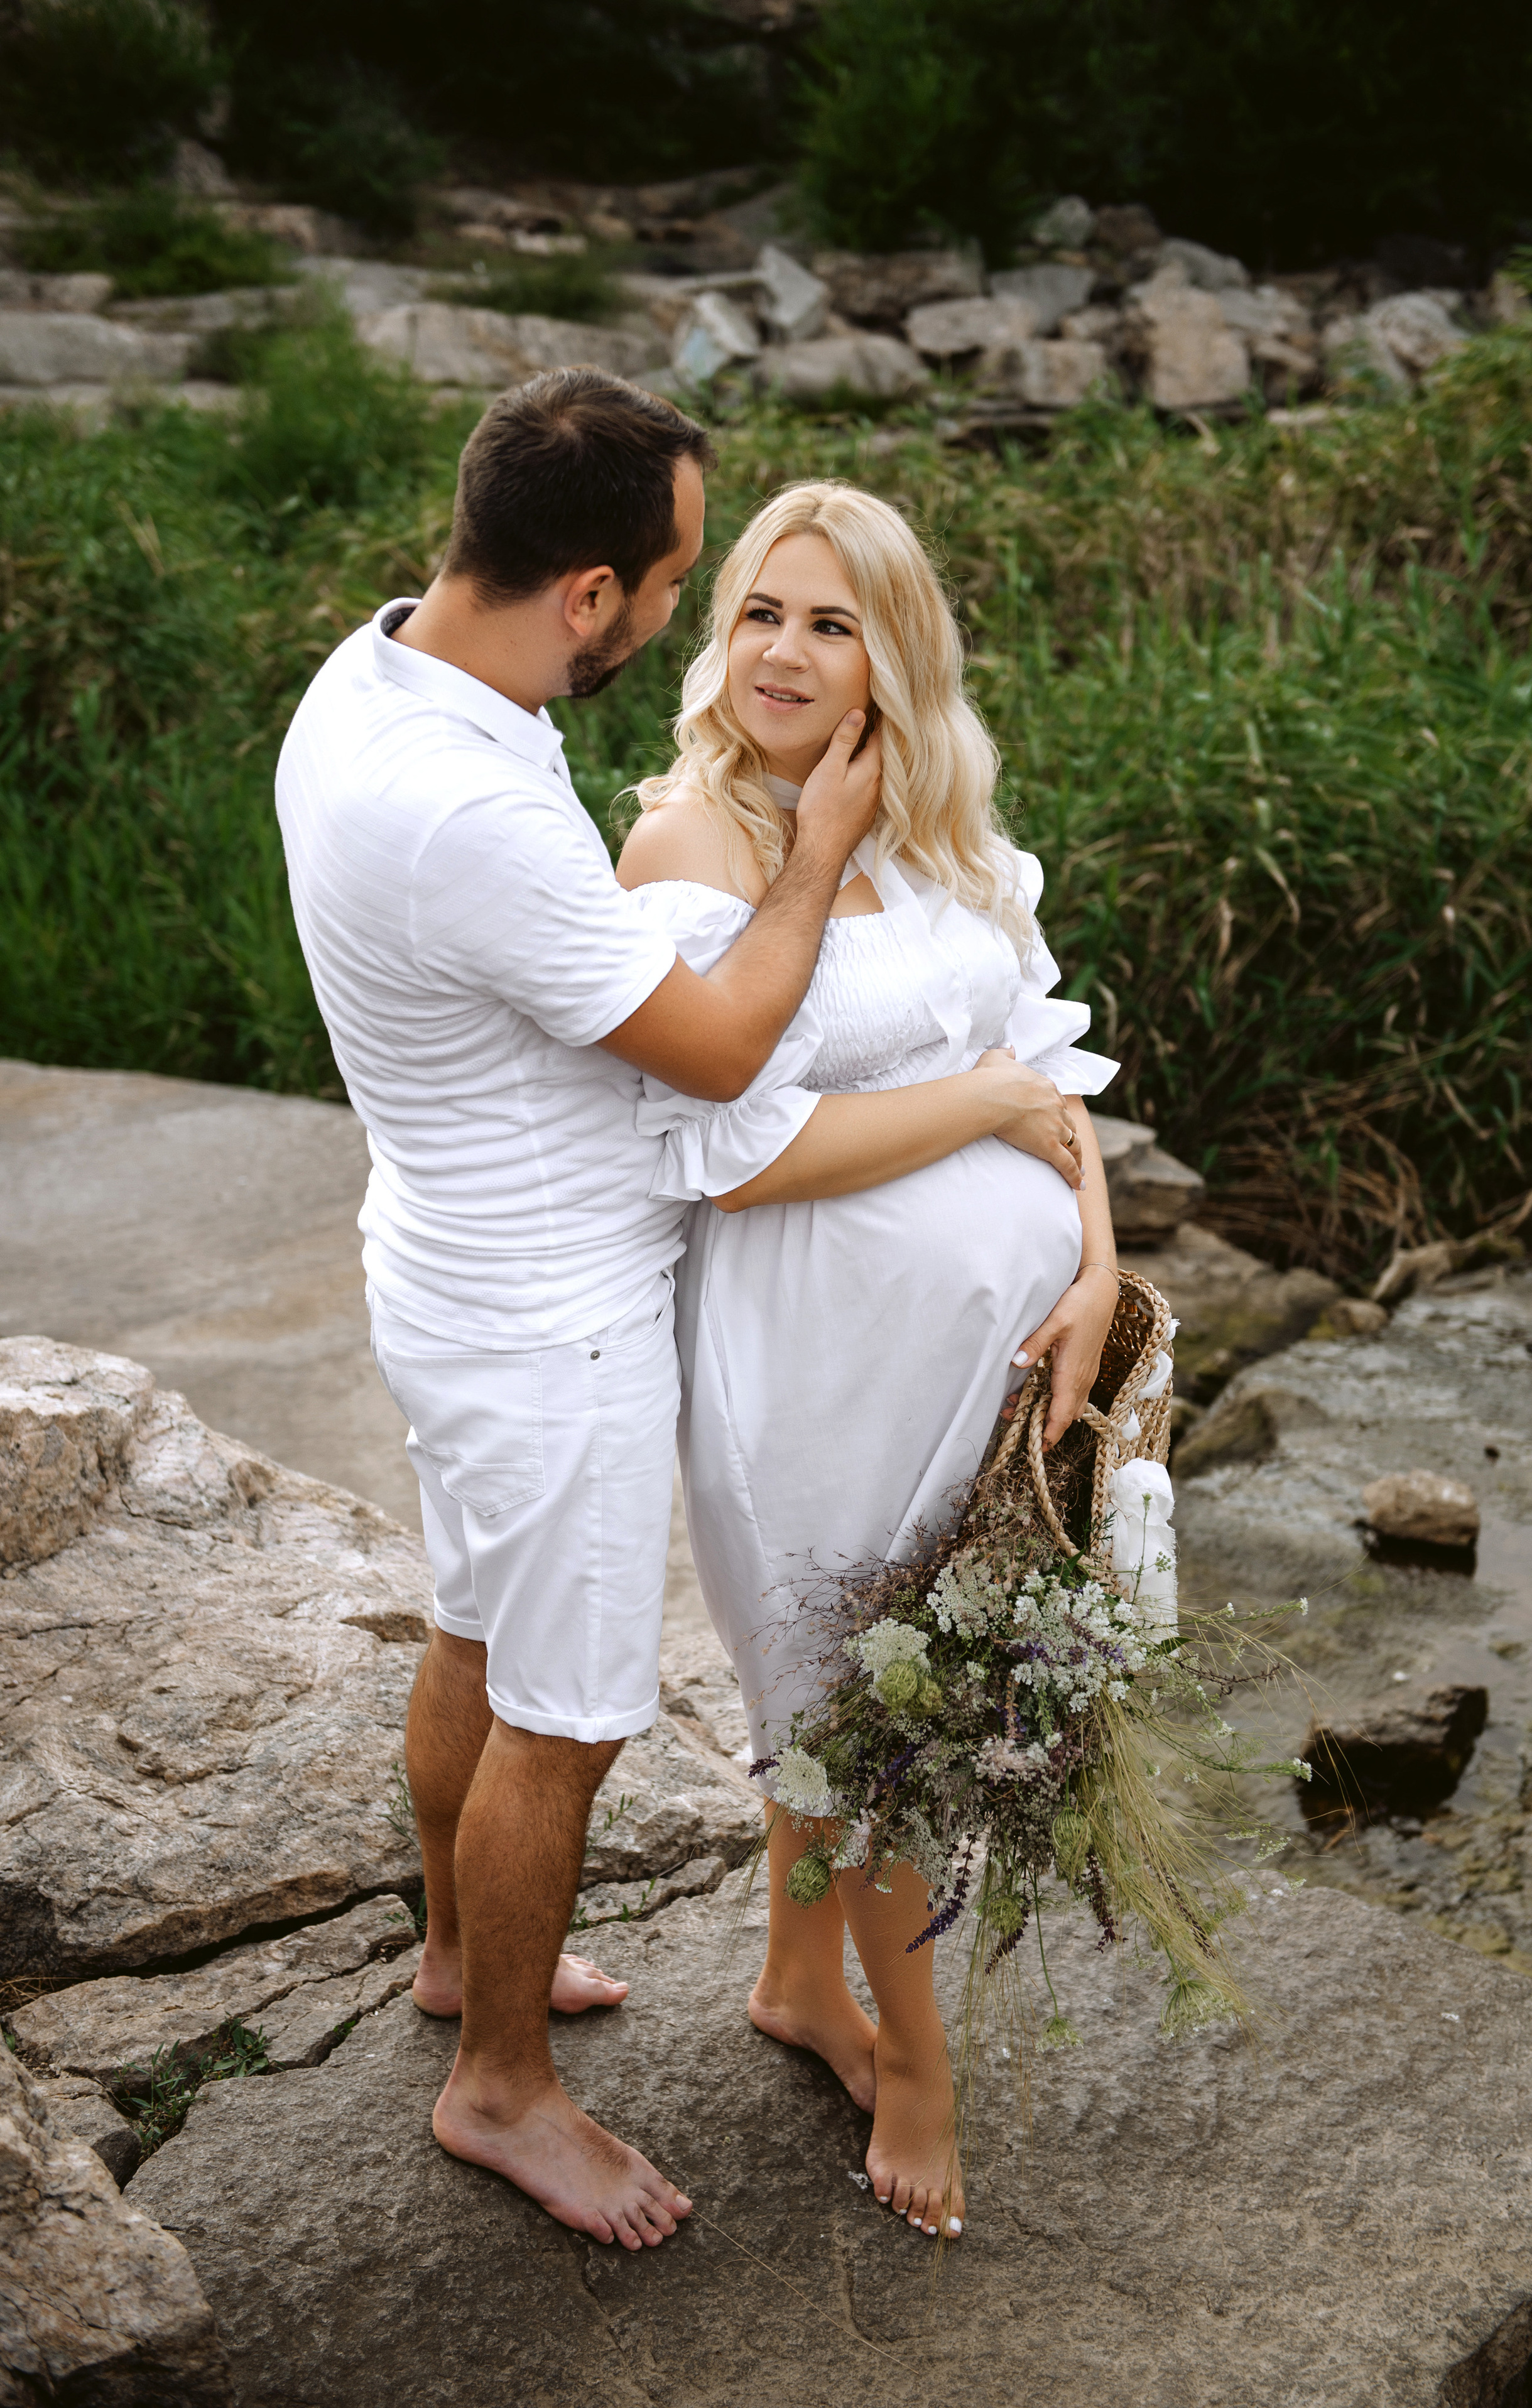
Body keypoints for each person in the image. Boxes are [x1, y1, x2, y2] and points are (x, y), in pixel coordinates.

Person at [274, 372, 925, 2252]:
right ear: (585, 593)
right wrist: (811, 854)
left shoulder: (383, 669)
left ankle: (452, 1955)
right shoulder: (464, 805)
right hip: (544, 1311)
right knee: (562, 1715)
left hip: (442, 1248)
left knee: (476, 1629)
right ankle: (501, 2086)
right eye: (676, 585)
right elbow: (720, 1051)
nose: (684, 618)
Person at [615, 480, 1122, 2243]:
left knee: (875, 1685)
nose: (788, 651)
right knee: (877, 1697)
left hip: (1003, 1356)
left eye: (833, 622)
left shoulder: (949, 833)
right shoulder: (694, 842)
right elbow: (735, 1145)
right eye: (763, 609)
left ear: (893, 654)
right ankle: (915, 2061)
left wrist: (1098, 1277)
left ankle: (797, 1979)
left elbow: (1055, 1067)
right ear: (720, 629)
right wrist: (984, 1108)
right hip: (809, 1336)